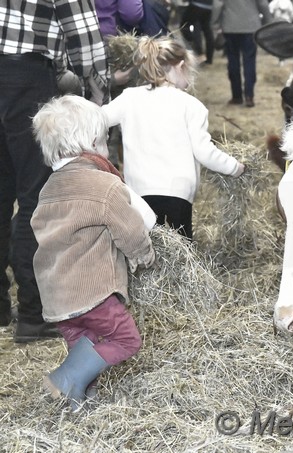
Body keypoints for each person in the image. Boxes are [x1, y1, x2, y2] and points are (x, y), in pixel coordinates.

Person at [31, 95, 155, 409]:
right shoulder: (104, 185)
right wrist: (143, 254)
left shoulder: (47, 189)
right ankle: (65, 379)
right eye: (104, 141)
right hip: (92, 293)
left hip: (55, 296)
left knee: (85, 343)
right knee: (126, 340)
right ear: (91, 143)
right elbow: (129, 228)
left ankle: (79, 400)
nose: (106, 147)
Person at [0, 0, 109, 342]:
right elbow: (83, 33)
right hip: (28, 76)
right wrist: (98, 87)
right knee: (36, 196)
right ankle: (33, 314)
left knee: (1, 195)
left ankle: (1, 307)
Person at [103, 36, 246, 240]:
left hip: (138, 193)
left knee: (147, 247)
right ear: (179, 66)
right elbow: (204, 152)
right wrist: (234, 167)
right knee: (181, 251)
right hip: (176, 192)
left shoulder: (129, 98)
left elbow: (98, 118)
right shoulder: (191, 106)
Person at [212, 0, 273, 107]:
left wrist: (215, 23)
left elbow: (218, 4)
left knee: (233, 61)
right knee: (249, 61)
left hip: (230, 26)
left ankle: (236, 96)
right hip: (251, 26)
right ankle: (249, 96)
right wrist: (268, 21)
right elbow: (262, 3)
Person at [180, 0, 215, 65]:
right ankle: (209, 57)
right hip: (209, 6)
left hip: (196, 5)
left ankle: (199, 52)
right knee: (207, 30)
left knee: (186, 26)